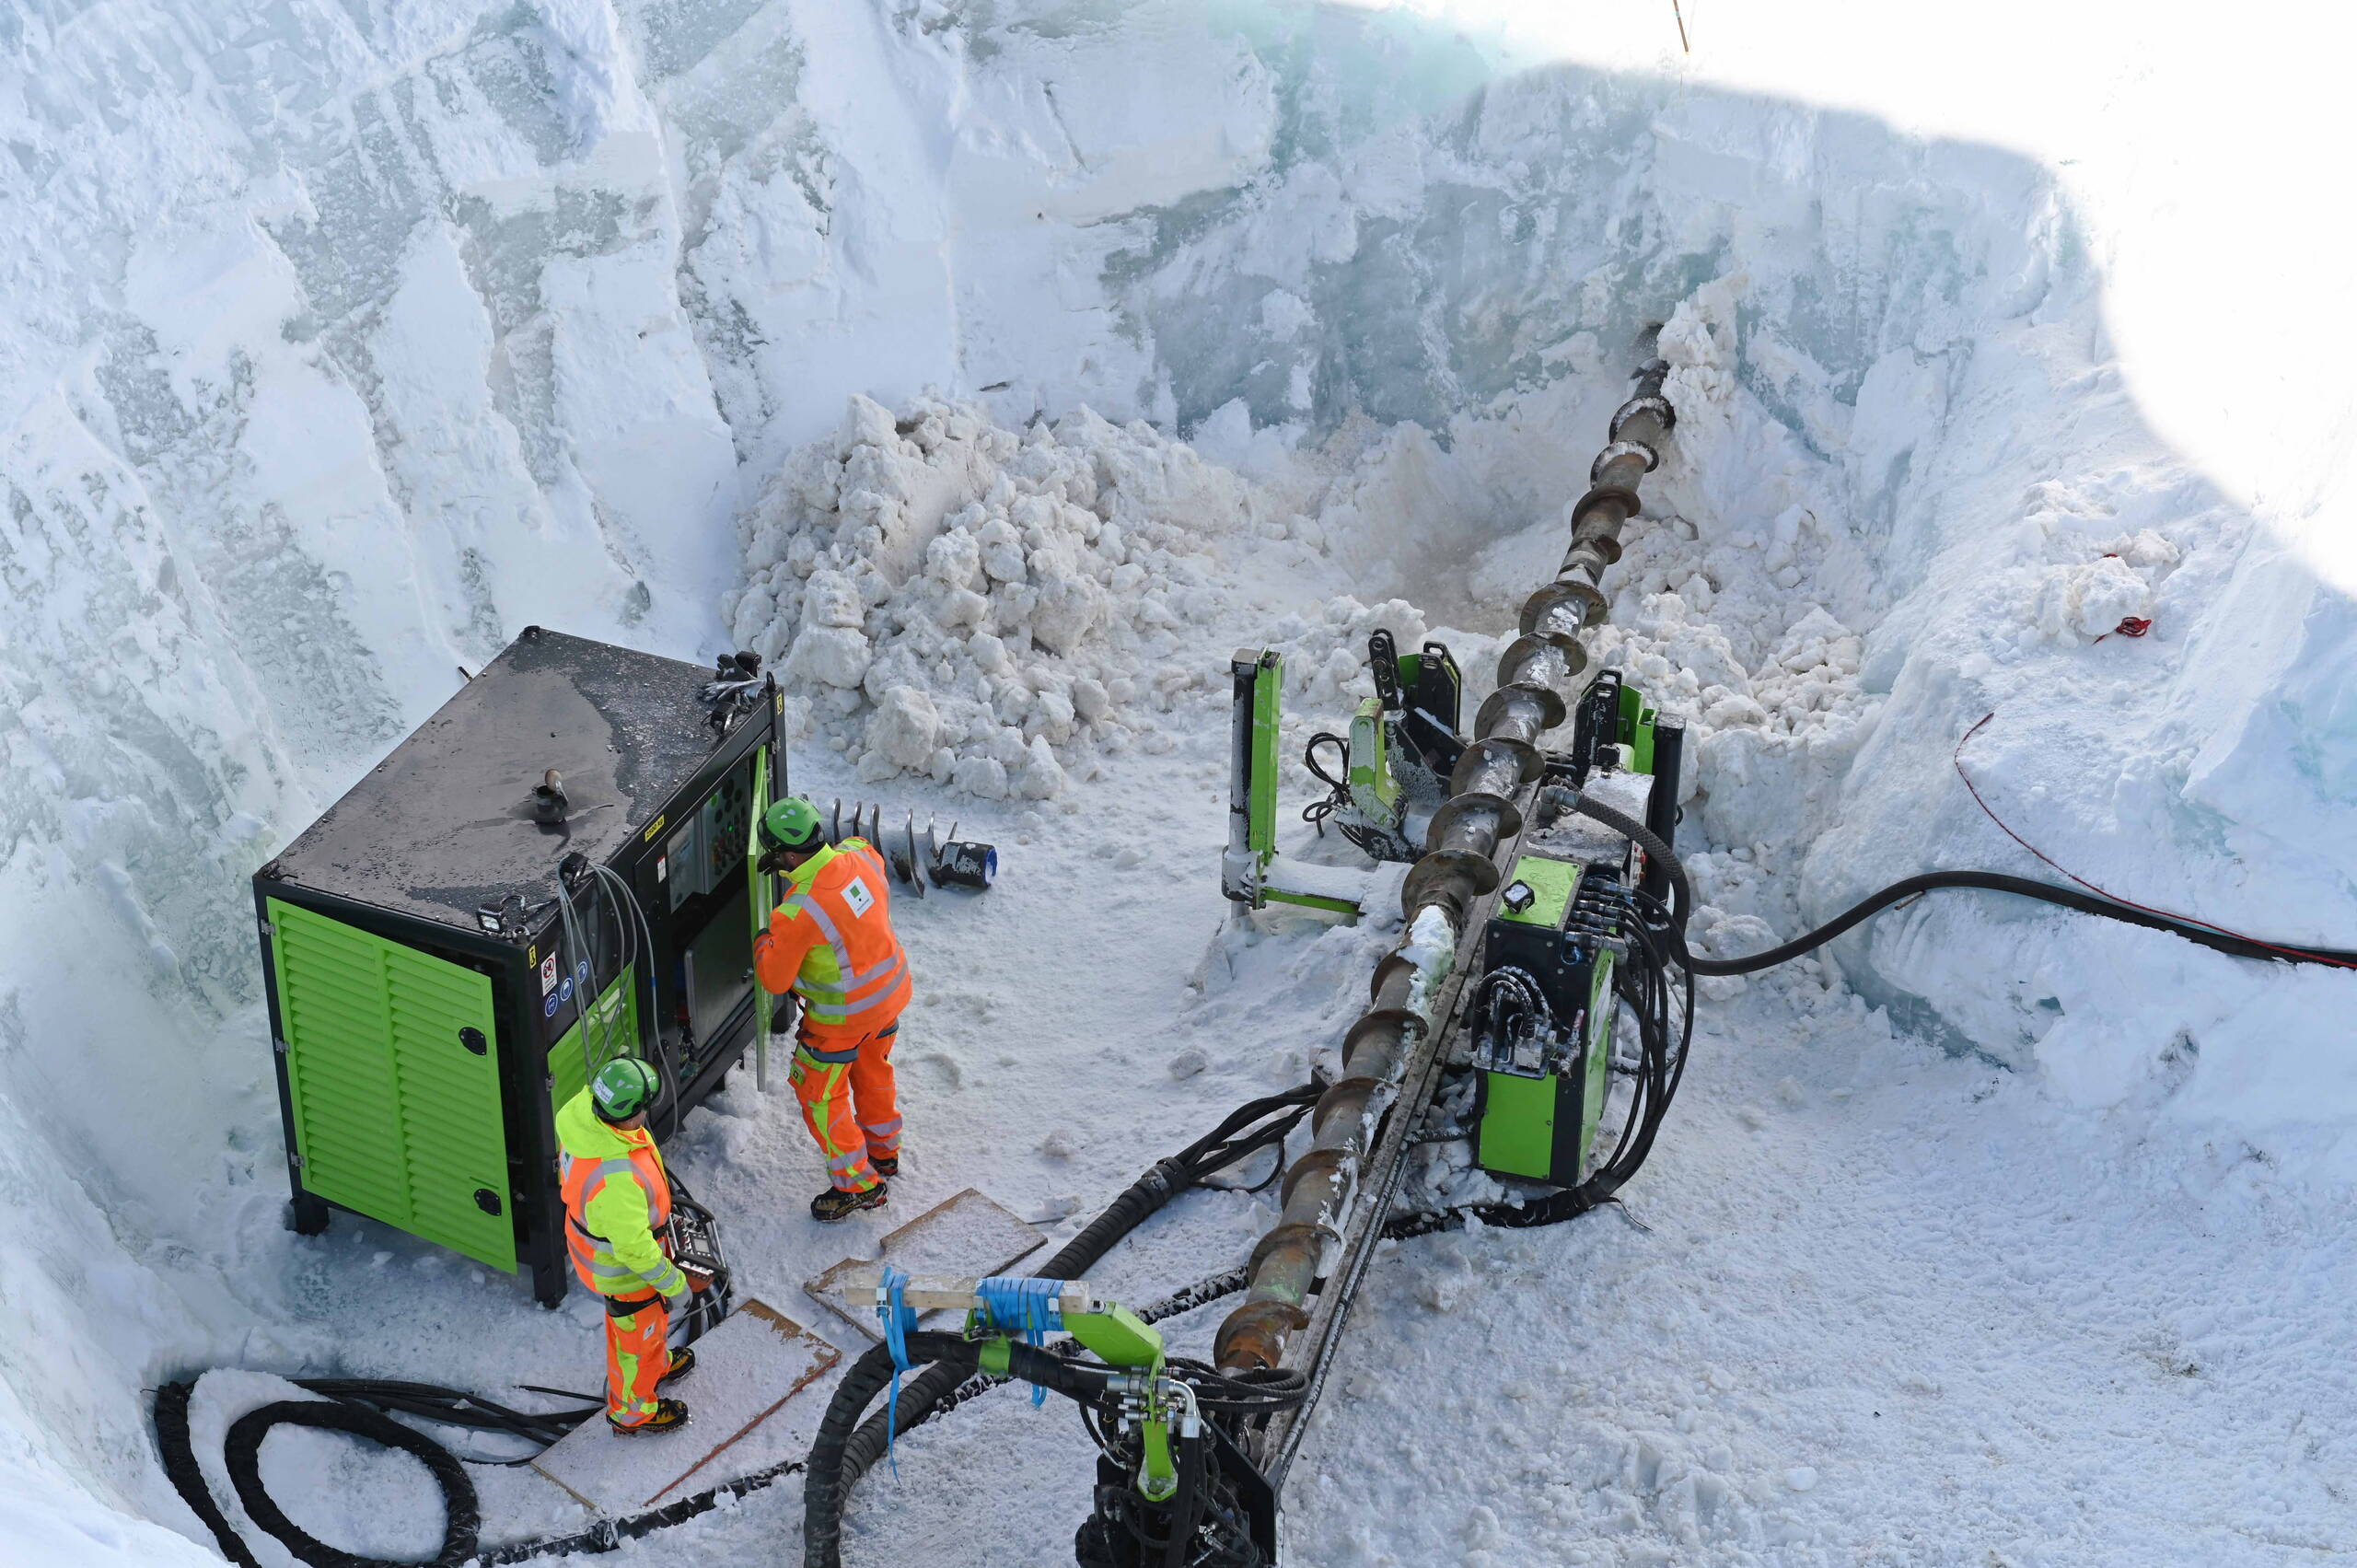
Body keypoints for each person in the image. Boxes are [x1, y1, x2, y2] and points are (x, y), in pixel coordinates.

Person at [752, 795, 913, 1221]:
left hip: (843, 1020)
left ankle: (858, 1186)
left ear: (786, 855)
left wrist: (764, 939)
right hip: (888, 998)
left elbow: (774, 979)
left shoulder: (798, 910)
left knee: (818, 1094)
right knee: (872, 1070)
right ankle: (883, 1153)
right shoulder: (862, 854)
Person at [557, 1057, 710, 1434]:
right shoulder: (616, 1180)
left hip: (618, 1252)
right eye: (642, 1109)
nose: (646, 1116)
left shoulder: (586, 1118)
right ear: (626, 1112)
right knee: (635, 1341)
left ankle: (656, 1363)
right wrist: (674, 1285)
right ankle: (632, 1412)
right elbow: (634, 1249)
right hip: (624, 1272)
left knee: (645, 1327)